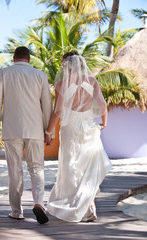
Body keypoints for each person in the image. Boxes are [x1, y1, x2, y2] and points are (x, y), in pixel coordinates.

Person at [45, 51, 112, 222]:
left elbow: (58, 111)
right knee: (88, 167)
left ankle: (80, 205)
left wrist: (48, 132)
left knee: (71, 166)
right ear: (82, 64)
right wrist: (104, 123)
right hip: (88, 127)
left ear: (65, 65)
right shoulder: (91, 81)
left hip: (70, 129)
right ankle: (90, 205)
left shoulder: (61, 84)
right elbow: (103, 105)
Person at [0, 46, 53, 224]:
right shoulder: (40, 75)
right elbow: (47, 105)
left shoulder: (4, 73)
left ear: (14, 58)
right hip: (35, 129)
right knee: (37, 168)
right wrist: (49, 131)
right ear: (29, 59)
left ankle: (17, 212)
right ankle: (39, 203)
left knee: (15, 171)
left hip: (12, 129)